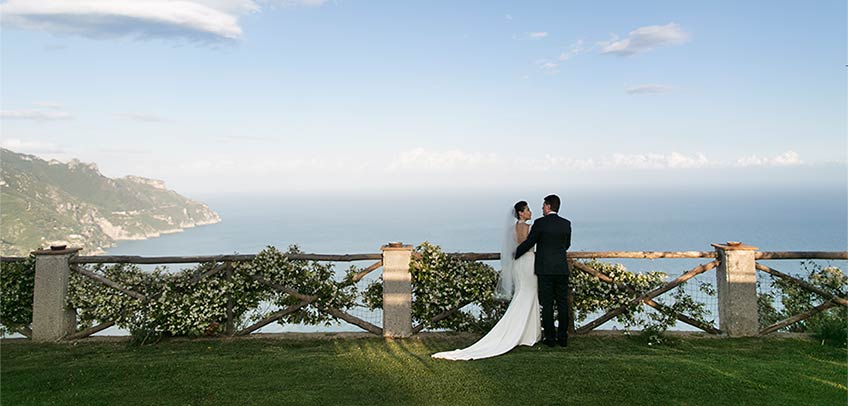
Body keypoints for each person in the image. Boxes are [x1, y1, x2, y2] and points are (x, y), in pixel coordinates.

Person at [431, 201, 541, 360]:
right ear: (521, 213)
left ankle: (525, 333)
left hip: (518, 265)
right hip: (528, 262)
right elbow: (524, 244)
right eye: (528, 210)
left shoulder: (511, 229)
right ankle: (523, 334)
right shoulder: (526, 227)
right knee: (528, 294)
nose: (530, 212)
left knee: (523, 294)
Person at [515, 194, 572, 347]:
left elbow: (529, 242)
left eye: (543, 206)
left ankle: (550, 339)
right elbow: (567, 245)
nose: (541, 208)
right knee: (562, 304)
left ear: (548, 206)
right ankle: (563, 338)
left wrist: (515, 254)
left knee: (547, 304)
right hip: (561, 268)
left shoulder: (540, 223)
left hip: (545, 269)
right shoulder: (566, 224)